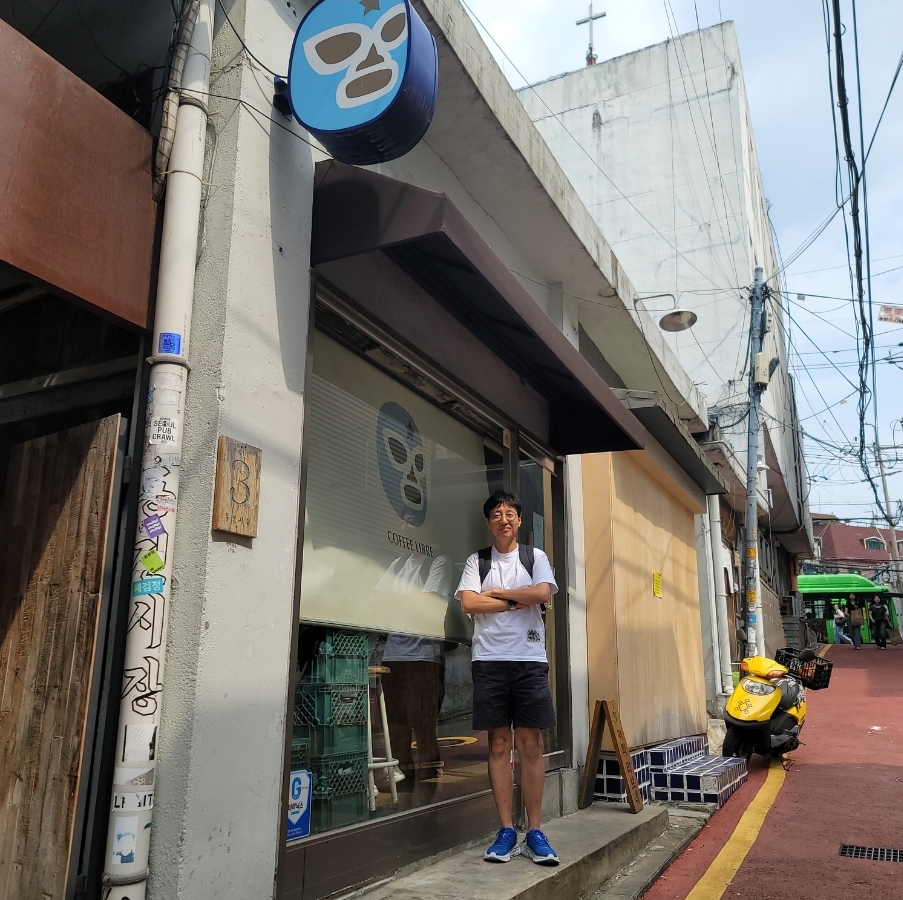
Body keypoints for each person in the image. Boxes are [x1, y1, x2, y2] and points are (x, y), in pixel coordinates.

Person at [456, 490, 559, 866]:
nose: (504, 519)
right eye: (497, 514)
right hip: (489, 661)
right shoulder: (477, 561)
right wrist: (517, 599)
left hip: (529, 661)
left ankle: (535, 832)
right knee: (499, 745)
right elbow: (469, 602)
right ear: (488, 522)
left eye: (510, 514)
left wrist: (498, 595)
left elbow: (543, 592)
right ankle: (505, 831)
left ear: (519, 520)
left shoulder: (536, 557)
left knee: (531, 745)